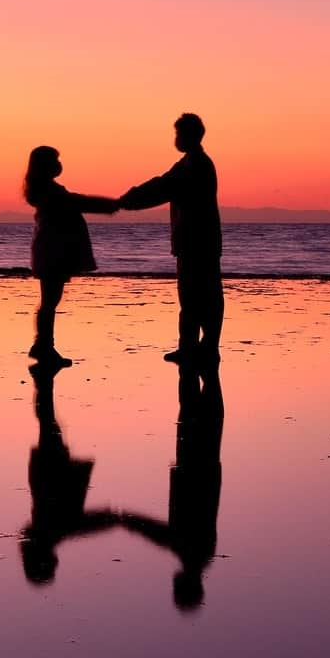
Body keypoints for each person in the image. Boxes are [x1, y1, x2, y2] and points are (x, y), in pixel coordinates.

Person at [120, 112, 223, 365]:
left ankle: (199, 347)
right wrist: (131, 198)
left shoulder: (195, 165)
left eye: (178, 134)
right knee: (198, 296)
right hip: (196, 241)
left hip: (196, 242)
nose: (175, 139)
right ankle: (197, 346)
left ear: (189, 135)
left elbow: (163, 187)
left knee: (196, 296)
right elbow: (162, 183)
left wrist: (129, 200)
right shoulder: (189, 162)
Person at [120, 365, 224, 611]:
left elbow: (163, 536)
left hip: (200, 475)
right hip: (195, 476)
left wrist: (131, 523)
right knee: (196, 411)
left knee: (200, 411)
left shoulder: (198, 555)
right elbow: (163, 536)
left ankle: (197, 362)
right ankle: (199, 361)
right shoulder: (194, 554)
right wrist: (130, 523)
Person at [20, 363, 120, 586]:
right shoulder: (46, 535)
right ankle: (43, 383)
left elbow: (82, 525)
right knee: (49, 426)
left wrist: (113, 520)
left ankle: (43, 382)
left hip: (51, 476)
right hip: (46, 476)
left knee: (49, 426)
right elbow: (83, 526)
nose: (56, 563)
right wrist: (113, 521)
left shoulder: (50, 533)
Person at [23, 145, 119, 366]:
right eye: (55, 160)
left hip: (52, 250)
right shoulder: (49, 191)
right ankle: (44, 347)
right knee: (50, 301)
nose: (59, 164)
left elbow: (77, 202)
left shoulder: (47, 189)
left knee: (50, 300)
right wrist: (111, 204)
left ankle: (43, 345)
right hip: (52, 252)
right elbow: (79, 202)